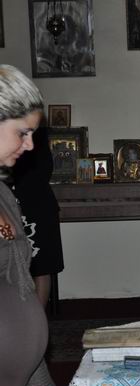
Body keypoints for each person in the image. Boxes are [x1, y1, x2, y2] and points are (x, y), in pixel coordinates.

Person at [0, 64, 56, 386]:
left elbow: (18, 286)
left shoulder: (4, 194)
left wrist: (37, 379)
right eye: (22, 133)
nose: (30, 145)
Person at [9, 126, 65, 307]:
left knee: (42, 265)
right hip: (9, 206)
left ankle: (39, 316)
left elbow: (44, 170)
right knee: (10, 264)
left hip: (37, 207)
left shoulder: (36, 135)